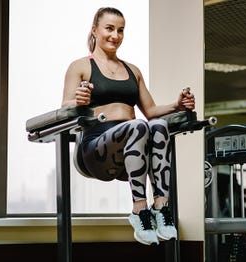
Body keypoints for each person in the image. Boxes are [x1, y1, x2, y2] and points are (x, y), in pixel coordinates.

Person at [61, 7, 195, 245]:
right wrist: (77, 101)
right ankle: (139, 209)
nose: (115, 35)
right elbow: (65, 107)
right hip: (97, 149)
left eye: (120, 30)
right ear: (95, 30)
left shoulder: (132, 70)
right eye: (109, 29)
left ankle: (161, 208)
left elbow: (151, 111)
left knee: (159, 125)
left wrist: (177, 105)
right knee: (139, 126)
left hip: (133, 155)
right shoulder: (80, 66)